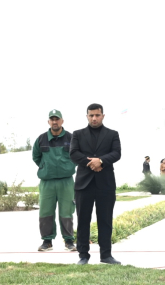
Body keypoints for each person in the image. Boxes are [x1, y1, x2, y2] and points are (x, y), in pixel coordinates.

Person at [70, 104, 122, 265]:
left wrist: (101, 161)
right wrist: (92, 163)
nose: (94, 118)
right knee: (83, 220)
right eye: (91, 115)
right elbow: (74, 153)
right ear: (87, 116)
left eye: (97, 115)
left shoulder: (112, 134)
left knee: (105, 220)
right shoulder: (78, 134)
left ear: (103, 116)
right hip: (84, 185)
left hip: (105, 184)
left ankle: (106, 255)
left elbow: (116, 153)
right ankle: (83, 255)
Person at [32, 109, 76, 252]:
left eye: (57, 119)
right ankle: (47, 241)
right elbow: (36, 157)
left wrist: (68, 166)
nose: (55, 122)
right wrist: (45, 167)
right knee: (45, 211)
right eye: (52, 119)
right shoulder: (41, 139)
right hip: (47, 182)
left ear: (62, 121)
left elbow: (77, 156)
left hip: (66, 182)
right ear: (49, 122)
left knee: (67, 211)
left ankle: (69, 241)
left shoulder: (71, 138)